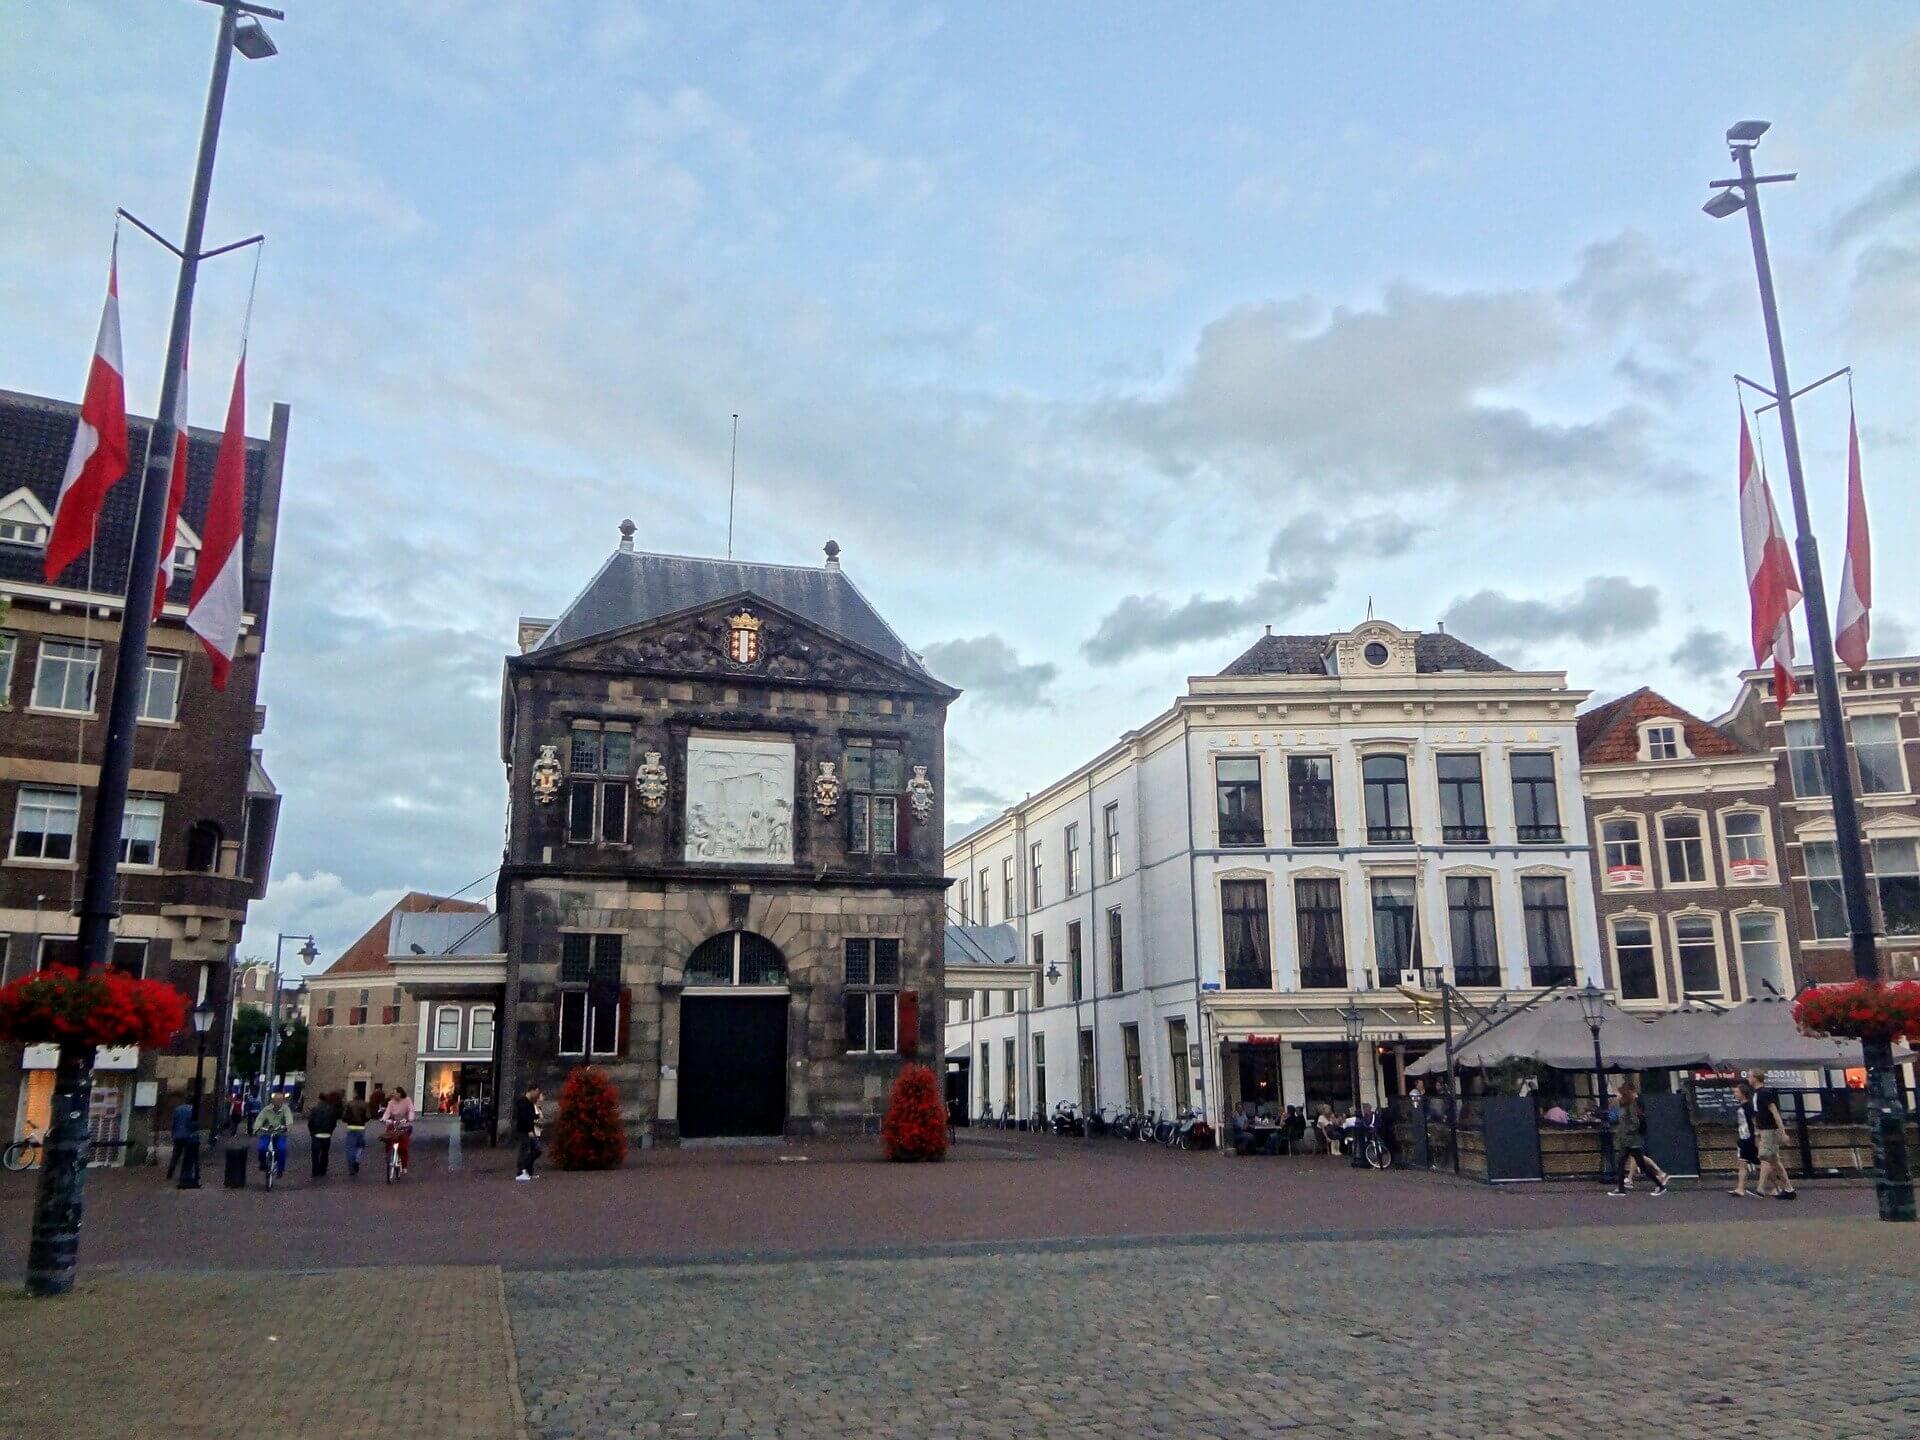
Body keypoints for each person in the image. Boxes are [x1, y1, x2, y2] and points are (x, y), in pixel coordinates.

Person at [1607, 1083, 1669, 1196]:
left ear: (1624, 1094)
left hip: (1632, 1141)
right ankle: (1621, 1189)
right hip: (1627, 1141)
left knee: (1640, 1166)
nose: (1616, 1096)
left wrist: (1627, 1131)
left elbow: (1635, 1123)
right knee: (1622, 1164)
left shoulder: (1631, 1106)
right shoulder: (1623, 1106)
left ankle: (1659, 1185)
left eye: (1618, 1094)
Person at [1749, 1070, 1797, 1200]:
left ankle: (1760, 1189)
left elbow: (1775, 1112)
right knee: (1775, 1161)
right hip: (1765, 1130)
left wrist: (1783, 1132)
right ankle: (1789, 1189)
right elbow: (1758, 1114)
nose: (1748, 1078)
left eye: (1750, 1076)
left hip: (1770, 1130)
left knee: (1764, 1156)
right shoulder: (1756, 1094)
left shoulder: (1764, 1093)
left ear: (1755, 1078)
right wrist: (1757, 1130)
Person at [252, 1089, 294, 1179]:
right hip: (266, 1133)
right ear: (272, 1101)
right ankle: (263, 1163)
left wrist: (287, 1126)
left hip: (280, 1133)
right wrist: (257, 1128)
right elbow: (260, 1119)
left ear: (282, 1101)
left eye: (280, 1100)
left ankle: (280, 1169)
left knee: (282, 1149)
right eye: (275, 1100)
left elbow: (289, 1119)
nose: (277, 1102)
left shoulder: (285, 1109)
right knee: (261, 1148)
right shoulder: (266, 1109)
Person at [1730, 1081, 1761, 1198]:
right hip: (1743, 1138)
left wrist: (1756, 1136)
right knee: (1742, 1163)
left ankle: (1777, 1186)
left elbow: (1754, 1121)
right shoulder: (1742, 1106)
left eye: (1737, 1092)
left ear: (1743, 1093)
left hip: (1750, 1138)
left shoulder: (1749, 1106)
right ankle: (1740, 1188)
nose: (1735, 1094)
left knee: (1763, 1163)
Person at [381, 1086, 416, 1175]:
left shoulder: (407, 1100)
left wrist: (410, 1118)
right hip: (393, 1123)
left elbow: (411, 1110)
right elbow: (387, 1112)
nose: (393, 1094)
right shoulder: (391, 1102)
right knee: (387, 1138)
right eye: (393, 1093)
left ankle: (404, 1166)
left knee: (403, 1146)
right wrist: (384, 1119)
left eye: (395, 1093)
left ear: (400, 1094)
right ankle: (388, 1154)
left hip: (404, 1124)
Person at [514, 1083, 545, 1181]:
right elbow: (523, 1118)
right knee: (525, 1150)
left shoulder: (530, 1103)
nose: (537, 1094)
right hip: (524, 1131)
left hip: (529, 1130)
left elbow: (530, 1116)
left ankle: (528, 1171)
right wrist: (528, 1130)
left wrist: (537, 1116)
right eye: (536, 1092)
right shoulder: (522, 1102)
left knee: (535, 1150)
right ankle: (520, 1172)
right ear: (532, 1090)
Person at [166, 1095, 198, 1182]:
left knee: (175, 1155)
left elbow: (174, 1122)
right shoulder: (193, 1110)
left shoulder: (178, 1109)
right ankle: (184, 1175)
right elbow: (194, 1124)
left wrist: (173, 1133)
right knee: (187, 1156)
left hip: (177, 1135)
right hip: (188, 1136)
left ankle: (170, 1172)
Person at [307, 1091, 339, 1179]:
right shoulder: (331, 1110)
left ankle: (315, 1171)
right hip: (326, 1134)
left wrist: (312, 1132)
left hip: (316, 1134)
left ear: (319, 1099)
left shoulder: (315, 1109)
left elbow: (310, 1122)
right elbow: (334, 1123)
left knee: (315, 1154)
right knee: (325, 1153)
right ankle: (323, 1170)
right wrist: (330, 1131)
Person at [340, 1092, 371, 1176]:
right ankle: (357, 1159)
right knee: (360, 1146)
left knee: (350, 1148)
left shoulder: (349, 1104)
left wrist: (348, 1120)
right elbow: (368, 1116)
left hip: (351, 1127)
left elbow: (343, 1117)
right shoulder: (365, 1104)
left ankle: (351, 1168)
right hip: (361, 1128)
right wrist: (363, 1120)